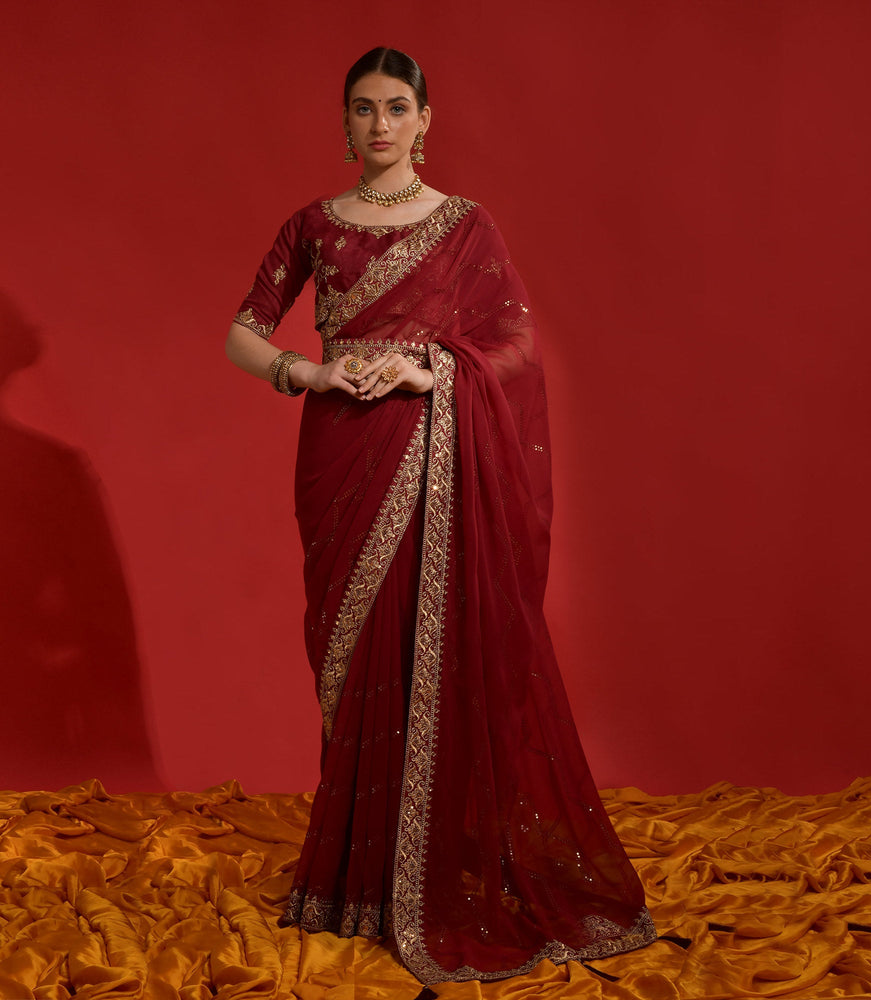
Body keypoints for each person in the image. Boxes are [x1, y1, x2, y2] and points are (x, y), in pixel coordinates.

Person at [225, 46, 656, 985]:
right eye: (363, 108)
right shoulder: (312, 225)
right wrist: (309, 372)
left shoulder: (466, 226)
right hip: (339, 453)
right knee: (349, 655)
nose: (379, 124)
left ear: (425, 121)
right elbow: (242, 332)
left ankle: (432, 868)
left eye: (396, 108)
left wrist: (432, 371)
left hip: (431, 453)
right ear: (343, 123)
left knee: (433, 650)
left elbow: (517, 345)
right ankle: (354, 879)